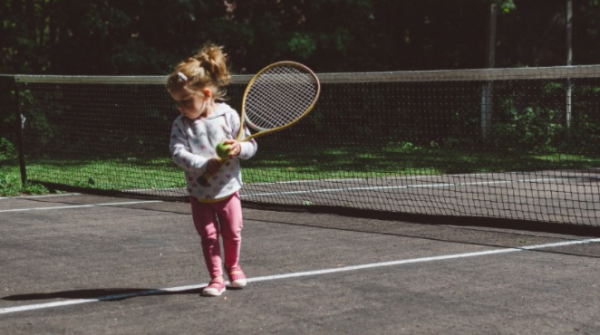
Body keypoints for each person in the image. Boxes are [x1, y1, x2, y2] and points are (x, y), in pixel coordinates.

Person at [166, 44, 257, 297]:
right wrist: (203, 164)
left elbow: (252, 146)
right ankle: (216, 278)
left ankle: (233, 266)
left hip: (228, 191)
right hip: (200, 194)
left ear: (206, 93)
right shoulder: (181, 124)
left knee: (233, 233)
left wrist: (239, 148)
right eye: (177, 102)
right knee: (208, 237)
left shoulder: (228, 116)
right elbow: (177, 153)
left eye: (185, 101)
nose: (181, 107)